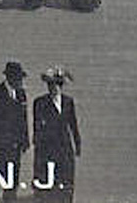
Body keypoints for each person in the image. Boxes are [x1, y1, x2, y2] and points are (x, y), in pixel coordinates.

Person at [32, 67, 81, 198]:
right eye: (51, 85)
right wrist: (38, 146)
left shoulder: (68, 102)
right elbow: (37, 126)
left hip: (65, 146)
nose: (53, 88)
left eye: (57, 85)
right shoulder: (40, 103)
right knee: (50, 180)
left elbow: (73, 124)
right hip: (49, 146)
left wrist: (77, 144)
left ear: (61, 86)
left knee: (66, 178)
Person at [0, 61, 30, 193]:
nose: (20, 81)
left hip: (15, 145)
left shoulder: (21, 94)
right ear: (10, 77)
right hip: (0, 144)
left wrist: (25, 140)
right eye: (18, 77)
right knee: (0, 178)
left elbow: (23, 119)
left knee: (13, 178)